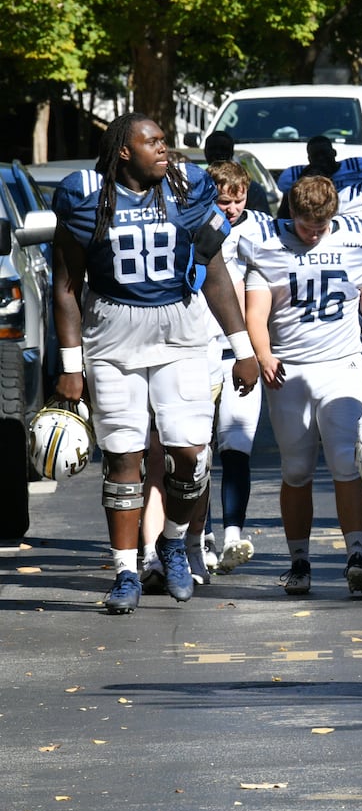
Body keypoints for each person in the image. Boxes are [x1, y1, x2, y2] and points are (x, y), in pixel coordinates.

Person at [51, 113, 260, 615]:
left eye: (165, 140)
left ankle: (173, 540)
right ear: (124, 150)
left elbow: (212, 272)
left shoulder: (187, 192)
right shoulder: (85, 197)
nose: (164, 149)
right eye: (154, 142)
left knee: (189, 454)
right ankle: (125, 570)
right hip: (113, 331)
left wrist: (243, 346)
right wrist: (70, 364)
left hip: (180, 328)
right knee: (123, 456)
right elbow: (65, 287)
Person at [240, 176, 362, 596]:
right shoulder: (266, 244)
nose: (313, 233)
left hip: (342, 364)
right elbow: (256, 314)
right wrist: (263, 354)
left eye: (321, 225)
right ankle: (299, 560)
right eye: (305, 225)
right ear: (291, 215)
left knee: (345, 461)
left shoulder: (360, 242)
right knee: (297, 469)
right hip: (291, 369)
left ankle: (357, 554)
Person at [209, 160, 274, 573]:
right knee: (193, 454)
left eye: (238, 199)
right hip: (199, 351)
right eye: (222, 201)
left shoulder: (263, 229)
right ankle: (200, 538)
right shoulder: (194, 225)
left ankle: (233, 535)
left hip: (240, 354)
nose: (231, 208)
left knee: (236, 447)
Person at [276, 135, 362, 199]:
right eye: (315, 156)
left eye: (324, 154)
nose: (321, 159)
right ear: (309, 158)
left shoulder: (359, 166)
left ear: (334, 153)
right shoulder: (293, 176)